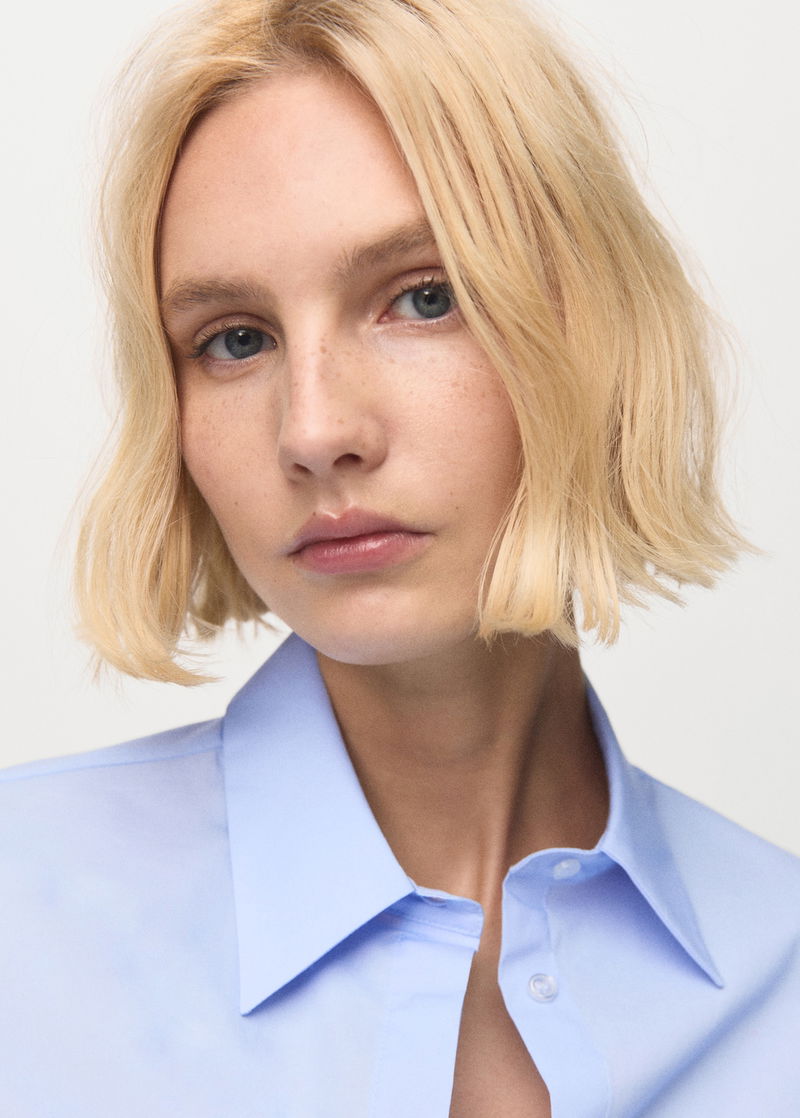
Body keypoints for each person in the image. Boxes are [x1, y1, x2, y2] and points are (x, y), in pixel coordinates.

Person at [1, 0, 797, 1115]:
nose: (314, 429)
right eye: (235, 340)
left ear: (593, 329)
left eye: (423, 298)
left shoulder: (779, 978)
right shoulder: (23, 930)